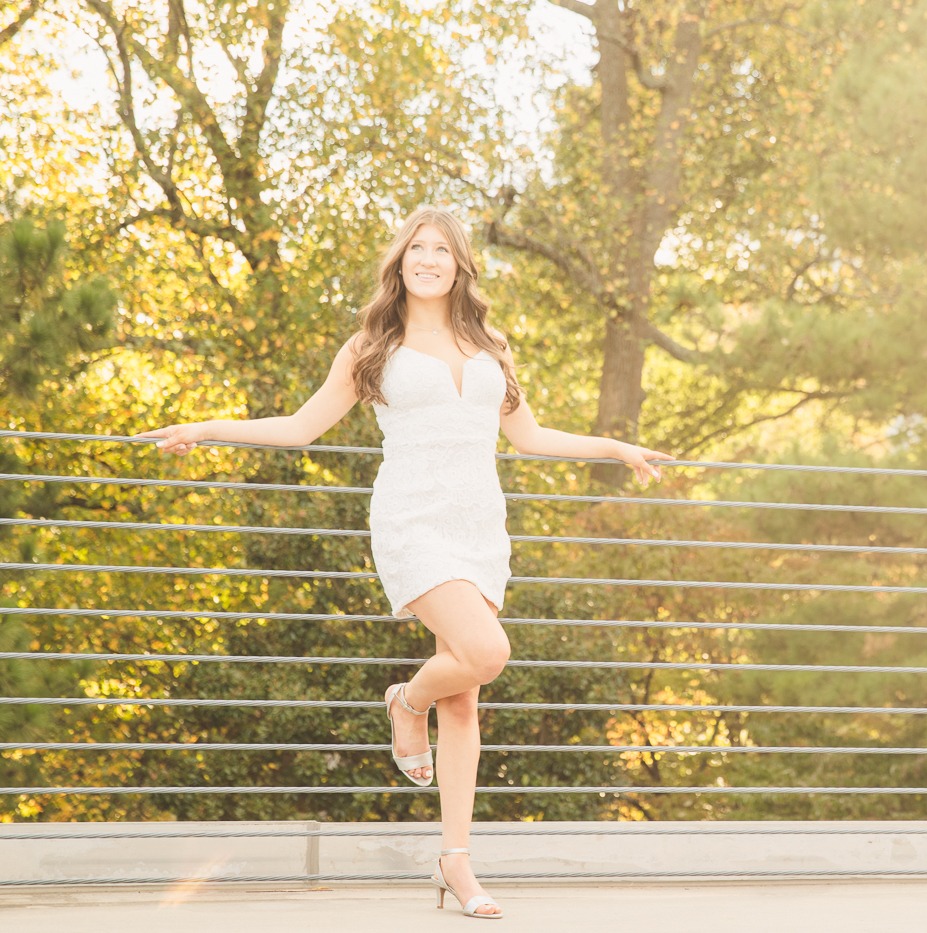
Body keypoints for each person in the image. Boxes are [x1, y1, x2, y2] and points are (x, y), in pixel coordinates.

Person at [137, 206, 672, 919]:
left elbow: (532, 437)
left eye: (441, 250)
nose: (427, 259)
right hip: (412, 521)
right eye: (416, 247)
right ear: (401, 261)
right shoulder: (371, 347)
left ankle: (456, 861)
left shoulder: (491, 345)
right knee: (486, 651)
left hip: (480, 528)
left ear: (459, 265)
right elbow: (300, 428)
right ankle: (405, 700)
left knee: (466, 694)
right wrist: (207, 428)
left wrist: (617, 448)